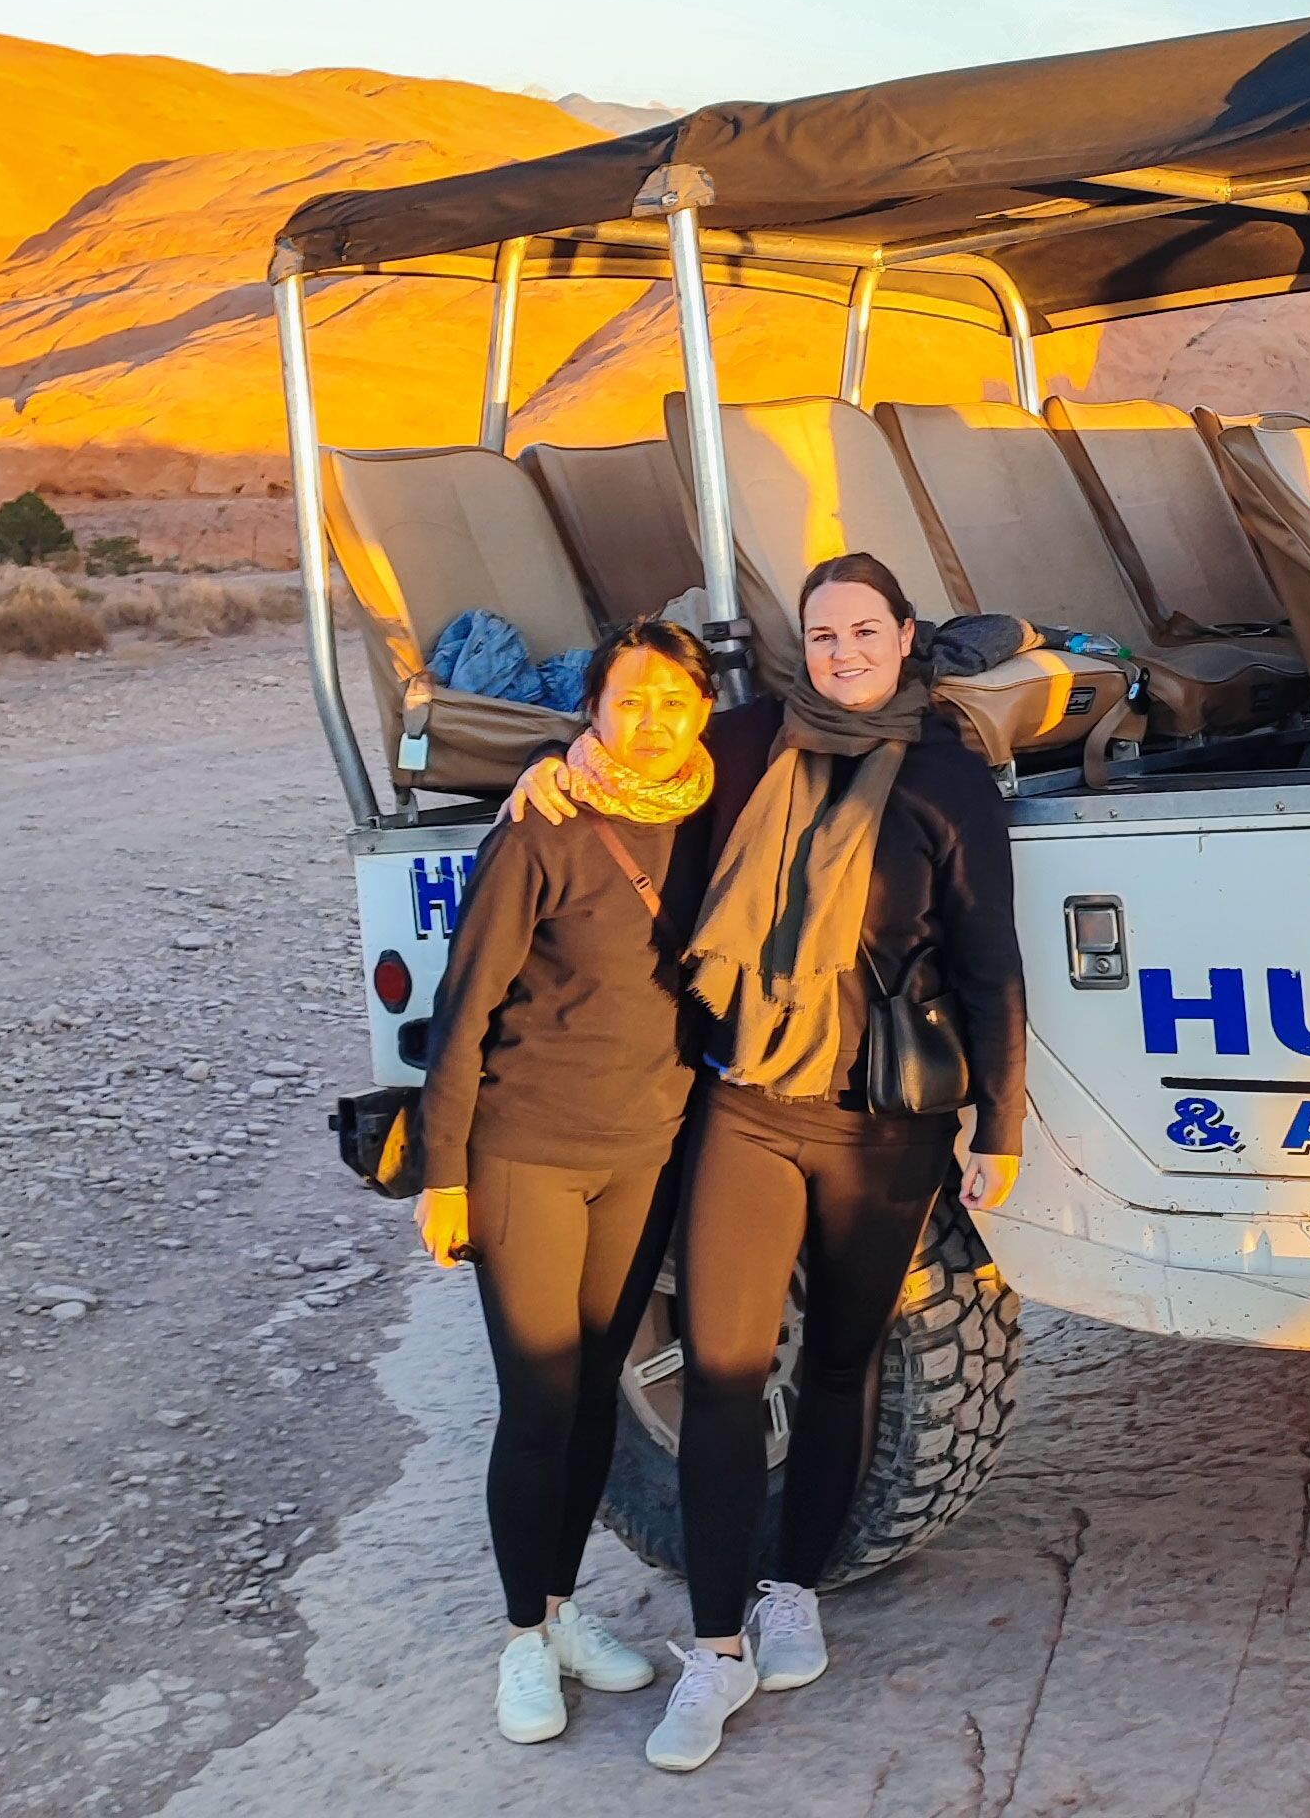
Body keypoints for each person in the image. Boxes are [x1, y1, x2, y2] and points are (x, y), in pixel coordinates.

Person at [511, 553, 1025, 1773]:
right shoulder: (747, 745)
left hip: (881, 1122)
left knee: (843, 1364)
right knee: (731, 1374)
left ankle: (791, 1585)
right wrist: (558, 766)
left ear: (907, 637)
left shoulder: (951, 780)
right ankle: (715, 1649)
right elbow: (643, 768)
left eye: (865, 629)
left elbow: (991, 958)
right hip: (749, 1105)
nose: (844, 652)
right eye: (824, 633)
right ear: (802, 646)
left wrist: (998, 1122)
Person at [412, 618, 719, 1747]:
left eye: (673, 702)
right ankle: (520, 1640)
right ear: (592, 708)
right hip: (528, 1150)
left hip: (640, 1150)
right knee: (541, 1401)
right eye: (629, 700)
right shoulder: (543, 825)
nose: (651, 722)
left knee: (597, 1392)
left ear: (700, 709)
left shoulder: (707, 808)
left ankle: (560, 1606)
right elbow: (465, 1007)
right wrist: (443, 1174)